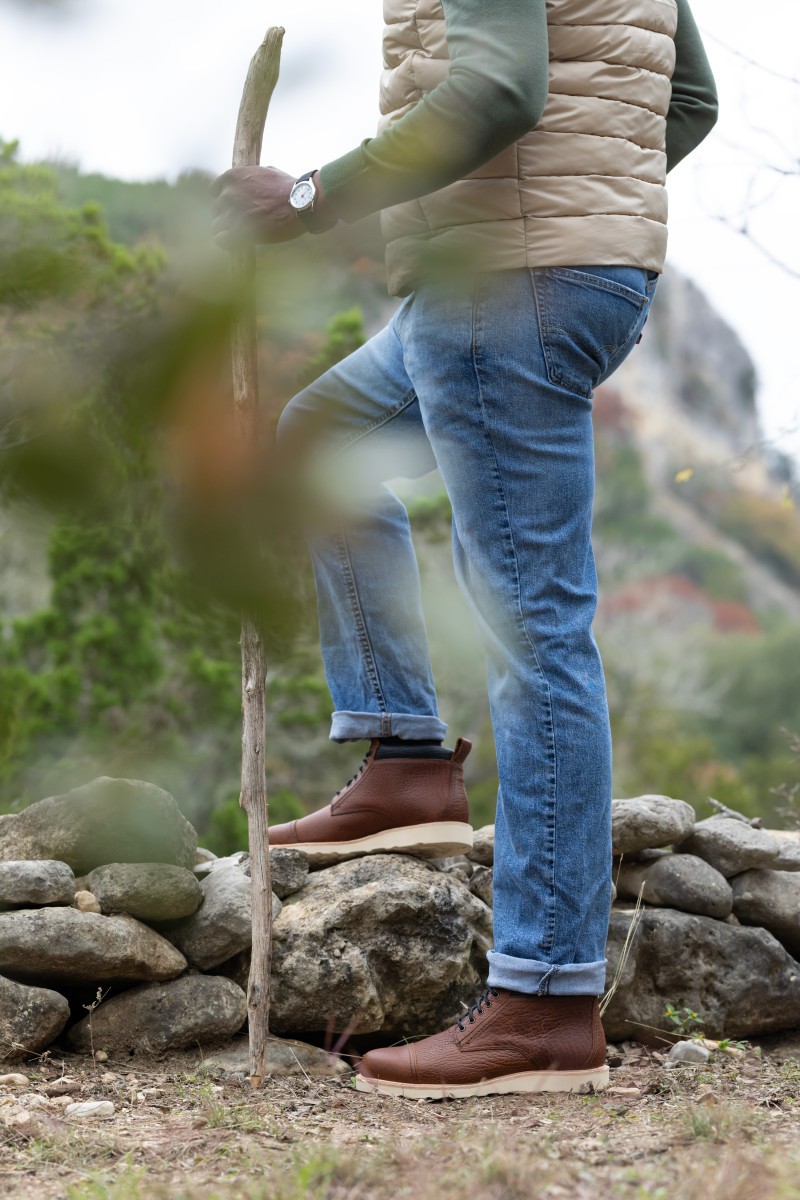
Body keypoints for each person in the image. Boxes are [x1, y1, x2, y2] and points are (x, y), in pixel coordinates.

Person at [212, 0, 718, 1099]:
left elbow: (496, 89)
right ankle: (405, 761)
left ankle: (544, 998)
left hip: (505, 282)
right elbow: (688, 100)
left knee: (534, 628)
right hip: (569, 276)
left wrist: (306, 199)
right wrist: (591, 219)